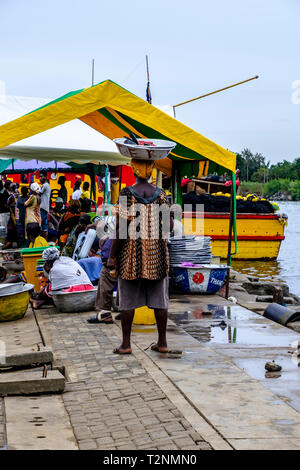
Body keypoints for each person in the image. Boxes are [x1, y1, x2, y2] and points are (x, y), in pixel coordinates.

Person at [108, 159, 173, 355]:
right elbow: (169, 225)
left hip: (130, 255)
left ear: (134, 170)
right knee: (160, 302)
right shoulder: (161, 195)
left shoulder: (126, 193)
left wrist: (112, 256)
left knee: (127, 301)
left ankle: (126, 345)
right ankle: (162, 342)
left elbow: (120, 228)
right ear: (151, 169)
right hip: (157, 255)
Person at [39, 170, 51, 239]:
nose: (40, 178)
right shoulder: (47, 185)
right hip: (45, 208)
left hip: (42, 208)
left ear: (45, 177)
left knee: (40, 226)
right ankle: (44, 242)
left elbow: (39, 193)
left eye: (41, 176)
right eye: (39, 177)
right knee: (44, 227)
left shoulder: (45, 185)